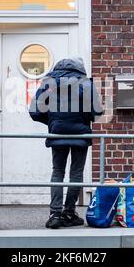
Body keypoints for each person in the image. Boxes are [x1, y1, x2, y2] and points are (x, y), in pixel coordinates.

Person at [30, 57, 103, 229]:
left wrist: (52, 121)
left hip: (58, 133)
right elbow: (97, 111)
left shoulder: (49, 82)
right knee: (76, 174)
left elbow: (35, 111)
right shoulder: (85, 83)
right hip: (80, 134)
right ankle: (69, 213)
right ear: (80, 68)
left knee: (57, 172)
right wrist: (85, 119)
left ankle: (55, 214)